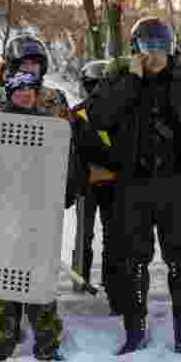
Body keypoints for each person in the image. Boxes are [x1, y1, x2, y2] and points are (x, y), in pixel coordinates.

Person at [88, 17, 181, 356]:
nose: (155, 53)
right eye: (149, 46)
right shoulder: (118, 80)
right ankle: (134, 333)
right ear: (136, 49)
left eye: (162, 46)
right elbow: (100, 116)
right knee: (133, 261)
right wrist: (133, 78)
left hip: (174, 185)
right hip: (133, 184)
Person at [0, 69, 77, 362]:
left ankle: (47, 345)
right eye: (18, 89)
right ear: (10, 93)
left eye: (30, 89)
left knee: (40, 281)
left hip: (40, 215)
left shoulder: (51, 125)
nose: (25, 93)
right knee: (3, 282)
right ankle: (1, 347)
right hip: (5, 214)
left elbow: (67, 163)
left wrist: (65, 192)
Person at [70, 59, 118, 309]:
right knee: (84, 234)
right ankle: (81, 277)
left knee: (111, 235)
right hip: (87, 182)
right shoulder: (76, 113)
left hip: (112, 182)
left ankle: (110, 281)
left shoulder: (119, 112)